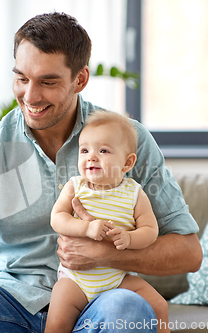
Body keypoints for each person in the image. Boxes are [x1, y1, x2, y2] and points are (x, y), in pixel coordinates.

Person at [0, 12, 202, 333]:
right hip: (9, 302)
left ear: (79, 79)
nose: (31, 96)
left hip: (98, 302)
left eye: (48, 82)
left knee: (128, 307)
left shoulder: (125, 140)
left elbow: (189, 254)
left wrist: (103, 255)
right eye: (22, 78)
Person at [45, 110, 168, 333]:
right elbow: (57, 218)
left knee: (159, 305)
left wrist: (130, 237)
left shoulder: (134, 193)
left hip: (118, 279)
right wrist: (86, 227)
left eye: (103, 150)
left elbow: (150, 230)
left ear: (127, 162)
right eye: (84, 150)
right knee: (56, 323)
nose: (91, 156)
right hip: (76, 280)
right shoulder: (76, 186)